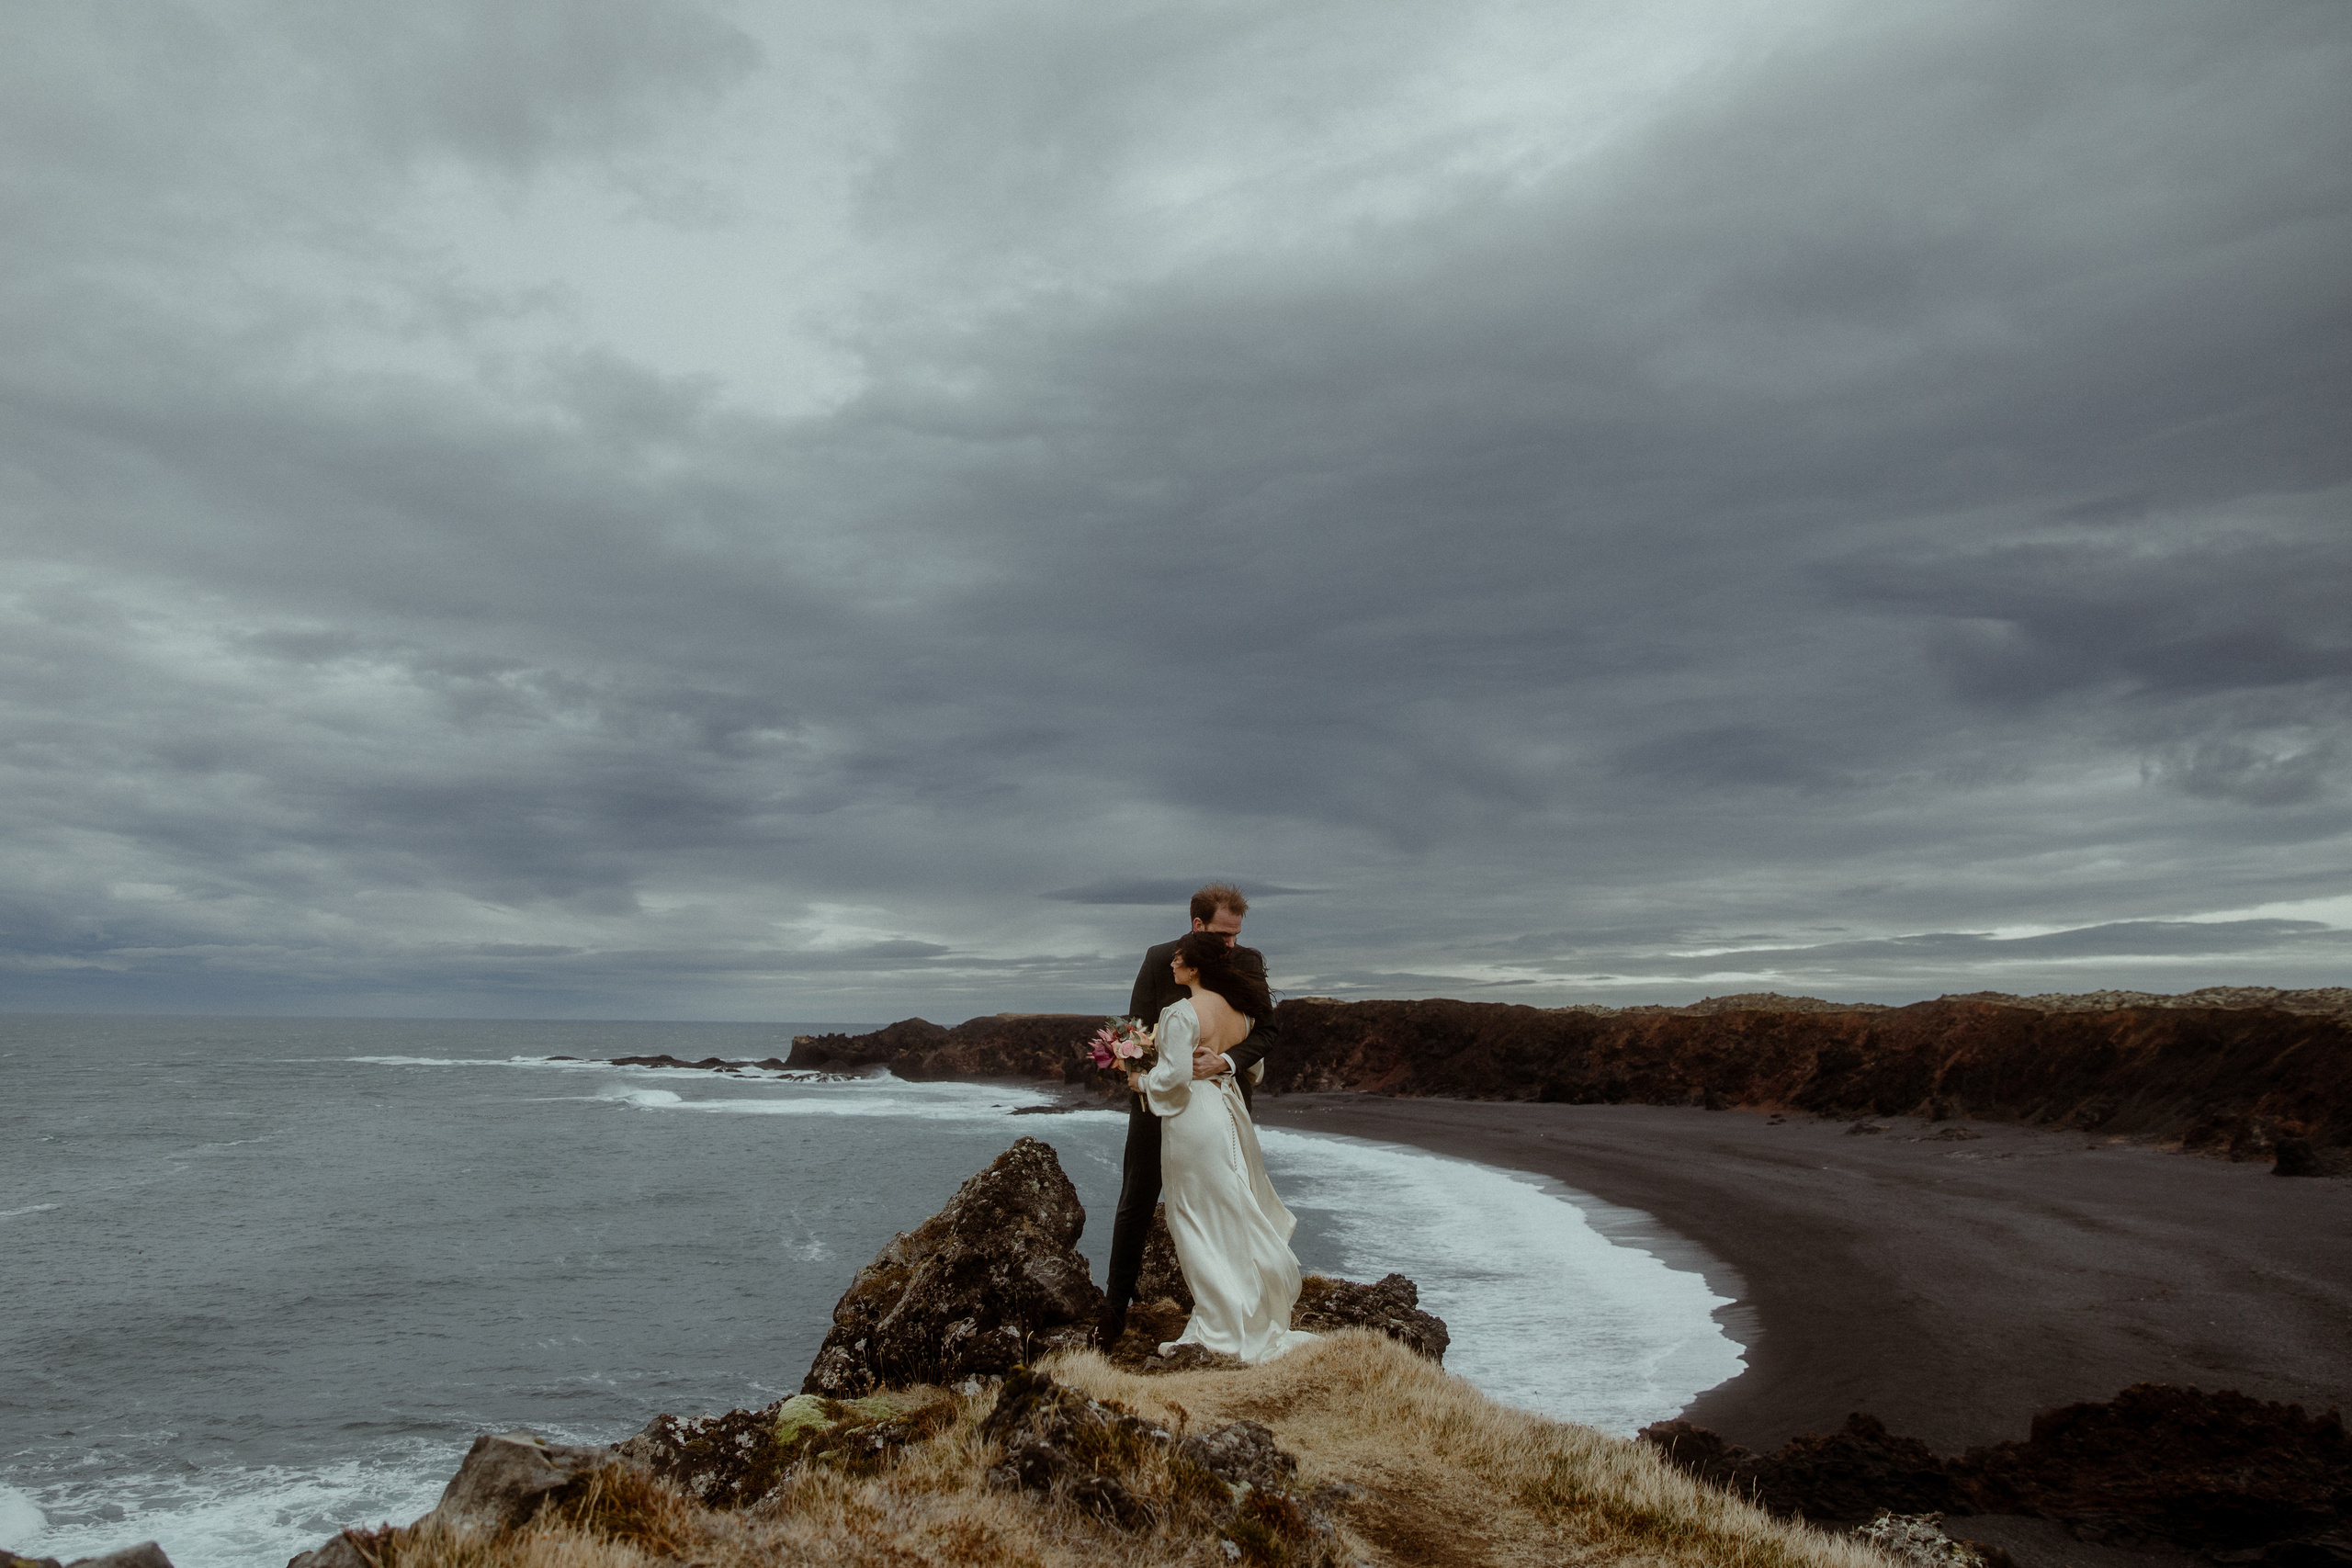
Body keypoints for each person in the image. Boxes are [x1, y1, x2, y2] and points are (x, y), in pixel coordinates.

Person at [1097, 882, 1283, 1346]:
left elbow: (1267, 1032)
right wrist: (1138, 1071)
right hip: (1156, 1108)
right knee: (1136, 1201)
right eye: (1223, 936)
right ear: (1196, 925)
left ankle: (1245, 1303)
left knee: (1234, 1201)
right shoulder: (1161, 959)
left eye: (1237, 935)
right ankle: (1113, 1311)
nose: (1232, 946)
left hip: (1222, 1104)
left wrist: (1227, 1061)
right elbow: (1135, 1027)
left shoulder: (1249, 962)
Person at [1128, 928, 1315, 1362]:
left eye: (1178, 959)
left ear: (1194, 968)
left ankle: (1221, 1319)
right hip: (1226, 1112)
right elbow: (1248, 1062)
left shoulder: (1180, 1013)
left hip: (1192, 1119)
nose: (1171, 963)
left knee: (1192, 1216)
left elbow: (1173, 1081)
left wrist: (1139, 1080)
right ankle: (1246, 1306)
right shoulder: (1239, 1011)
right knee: (1227, 1209)